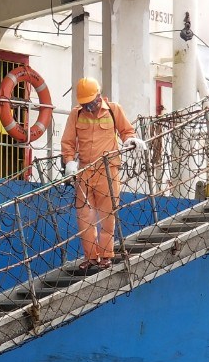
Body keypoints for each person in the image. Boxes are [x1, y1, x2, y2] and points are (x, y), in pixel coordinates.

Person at [59, 77, 146, 273]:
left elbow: (126, 131)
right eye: (84, 103)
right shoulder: (76, 114)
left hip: (108, 170)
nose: (88, 106)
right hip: (84, 172)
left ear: (98, 96)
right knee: (84, 216)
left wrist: (131, 140)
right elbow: (68, 142)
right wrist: (69, 162)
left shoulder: (114, 110)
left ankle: (106, 255)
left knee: (107, 213)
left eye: (90, 102)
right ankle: (91, 257)